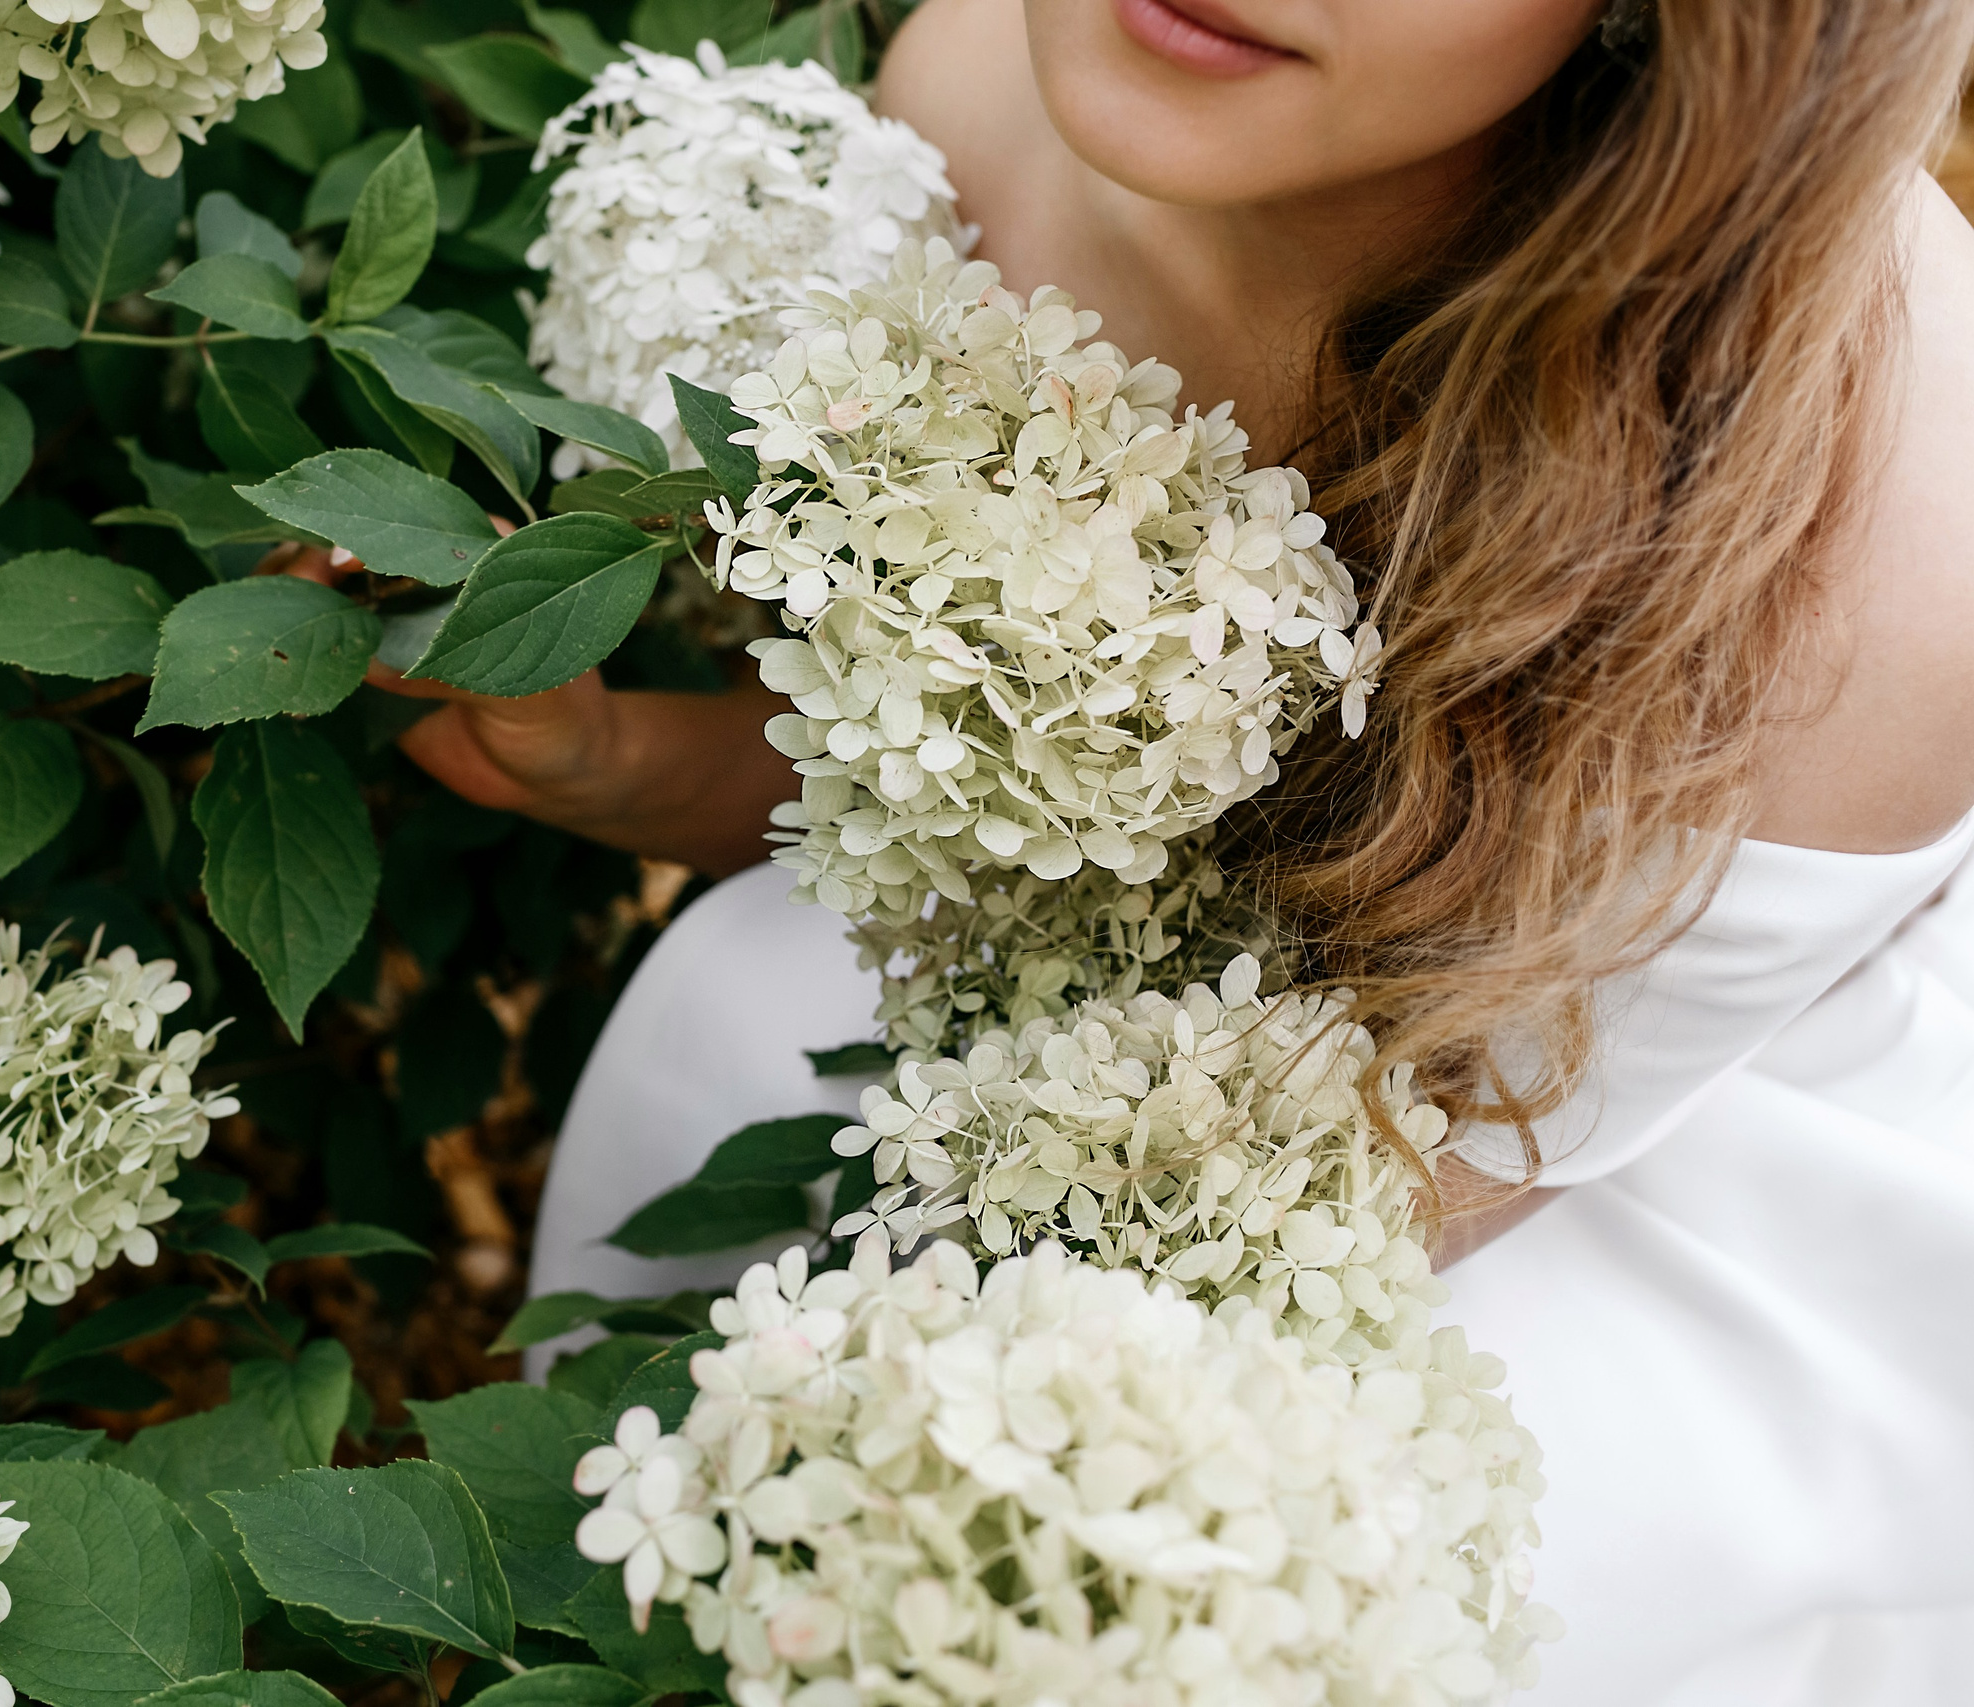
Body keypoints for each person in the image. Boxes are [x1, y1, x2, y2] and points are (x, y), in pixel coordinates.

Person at [364, 2, 1974, 1700]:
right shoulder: (972, 109)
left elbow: (1422, 1158)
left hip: (1529, 1129)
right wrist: (633, 768)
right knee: (721, 1035)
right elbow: (957, 785)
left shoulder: (1865, 557)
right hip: (1090, 1011)